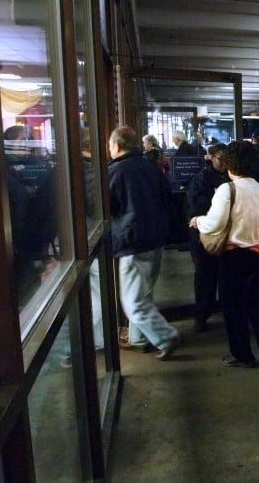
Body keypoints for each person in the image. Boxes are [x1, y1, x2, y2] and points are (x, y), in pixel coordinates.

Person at [190, 141, 259, 368]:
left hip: (235, 256)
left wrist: (197, 221)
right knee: (255, 301)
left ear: (229, 166)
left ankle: (242, 355)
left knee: (233, 307)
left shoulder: (227, 190)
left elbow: (214, 223)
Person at [108, 125, 182, 360]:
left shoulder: (116, 171)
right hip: (156, 238)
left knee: (132, 301)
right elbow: (167, 198)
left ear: (117, 146)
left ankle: (166, 336)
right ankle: (139, 338)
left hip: (133, 241)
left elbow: (108, 207)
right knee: (144, 294)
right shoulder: (151, 167)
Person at [186, 143, 230, 332]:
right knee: (205, 277)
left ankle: (227, 313)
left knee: (226, 278)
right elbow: (196, 206)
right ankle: (202, 316)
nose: (224, 163)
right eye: (221, 159)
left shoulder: (231, 177)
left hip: (227, 236)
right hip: (204, 237)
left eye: (227, 159)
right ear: (210, 157)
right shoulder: (201, 179)